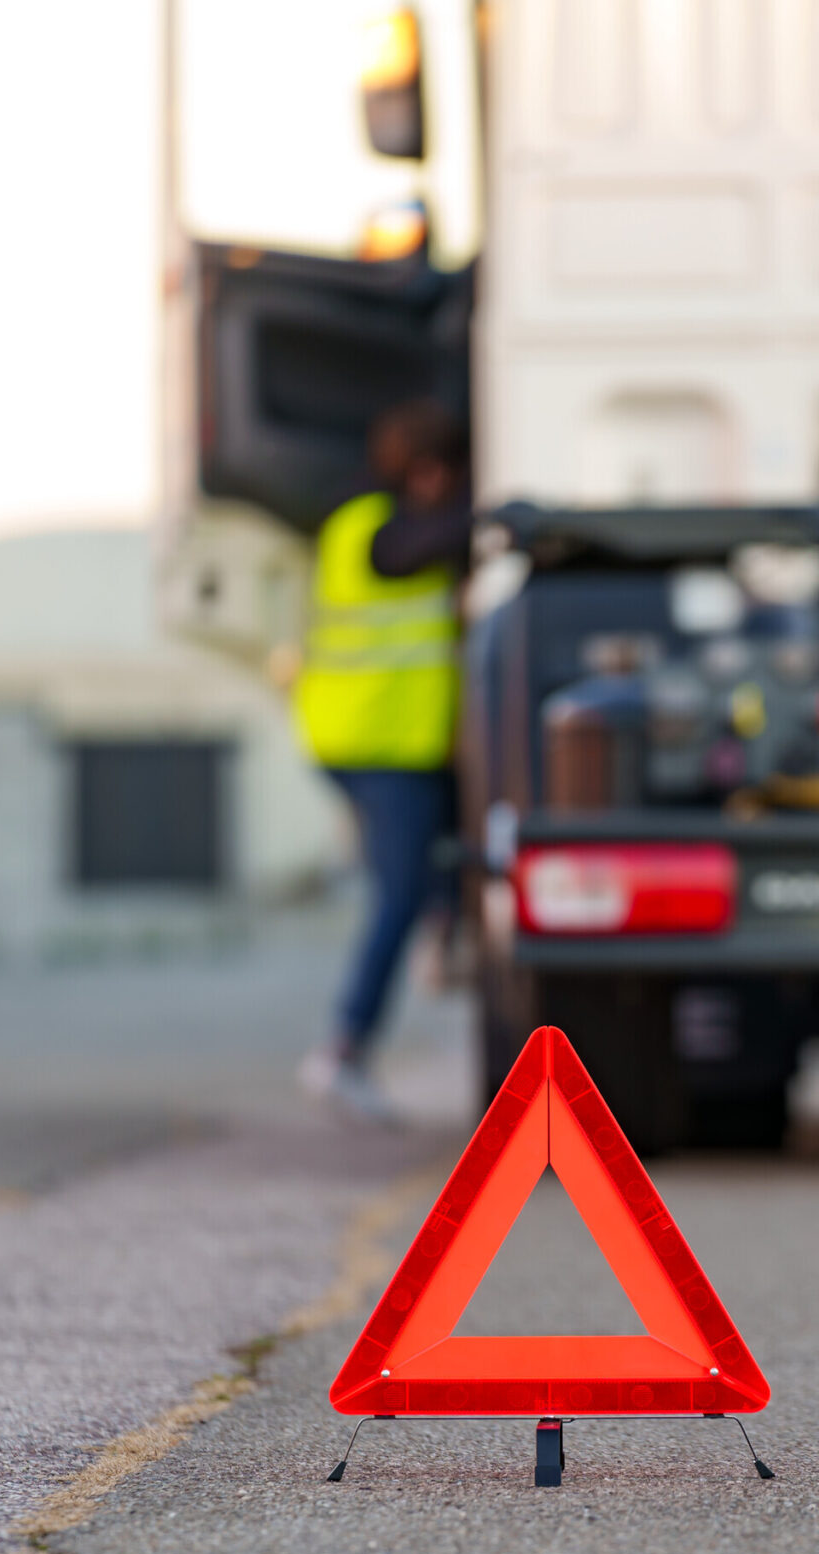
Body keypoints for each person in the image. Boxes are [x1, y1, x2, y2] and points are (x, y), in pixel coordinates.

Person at [291, 399, 470, 1124]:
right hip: (375, 746)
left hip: (395, 746)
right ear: (427, 472)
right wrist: (493, 513)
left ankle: (446, 915)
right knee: (396, 895)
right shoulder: (370, 530)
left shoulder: (382, 522)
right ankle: (343, 1050)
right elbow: (405, 553)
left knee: (447, 853)